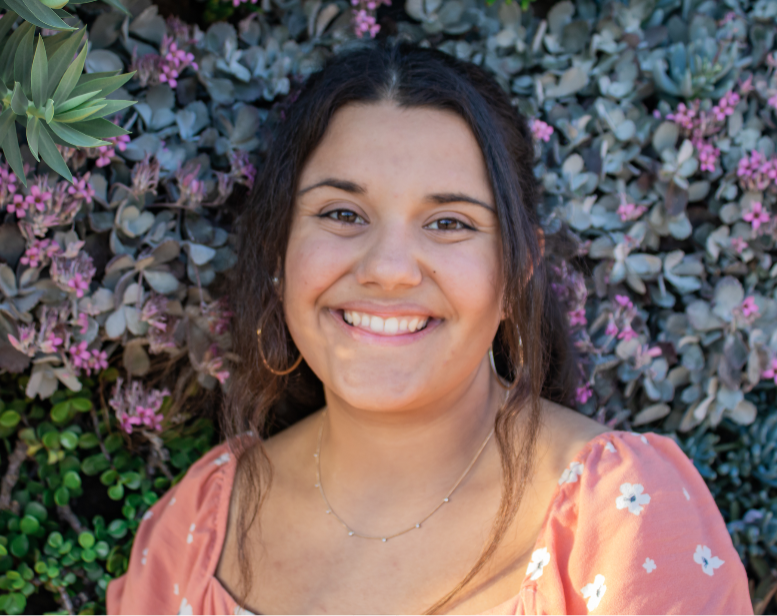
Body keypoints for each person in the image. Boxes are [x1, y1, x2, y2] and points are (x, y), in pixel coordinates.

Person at [107, 42, 752, 615]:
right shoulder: (199, 525)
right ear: (279, 251)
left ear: (516, 271)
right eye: (341, 213)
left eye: (449, 223)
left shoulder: (619, 518)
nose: (388, 270)